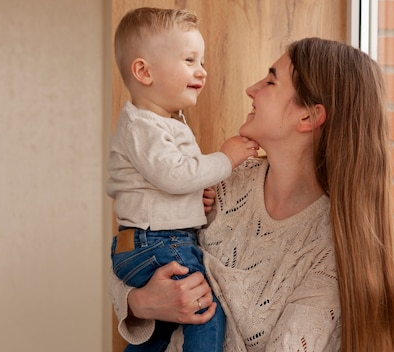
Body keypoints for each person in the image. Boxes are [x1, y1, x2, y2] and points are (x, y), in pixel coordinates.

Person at [110, 37, 394, 351]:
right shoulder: (220, 181)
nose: (251, 89)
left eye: (271, 81)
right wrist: (141, 303)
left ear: (309, 117)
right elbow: (139, 249)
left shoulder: (330, 249)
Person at [107, 7, 259, 352]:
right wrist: (228, 158)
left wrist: (195, 199)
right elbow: (175, 176)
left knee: (159, 332)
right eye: (189, 60)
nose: (202, 72)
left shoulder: (164, 122)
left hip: (151, 241)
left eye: (201, 61)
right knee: (204, 313)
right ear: (144, 71)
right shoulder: (143, 126)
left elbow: (169, 183)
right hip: (158, 243)